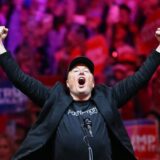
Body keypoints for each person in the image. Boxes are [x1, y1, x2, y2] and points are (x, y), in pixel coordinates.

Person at [0, 26, 160, 160]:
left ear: (92, 82)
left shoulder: (108, 96)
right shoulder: (54, 98)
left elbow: (140, 77)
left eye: (86, 71)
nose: (81, 72)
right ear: (68, 83)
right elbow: (19, 78)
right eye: (75, 71)